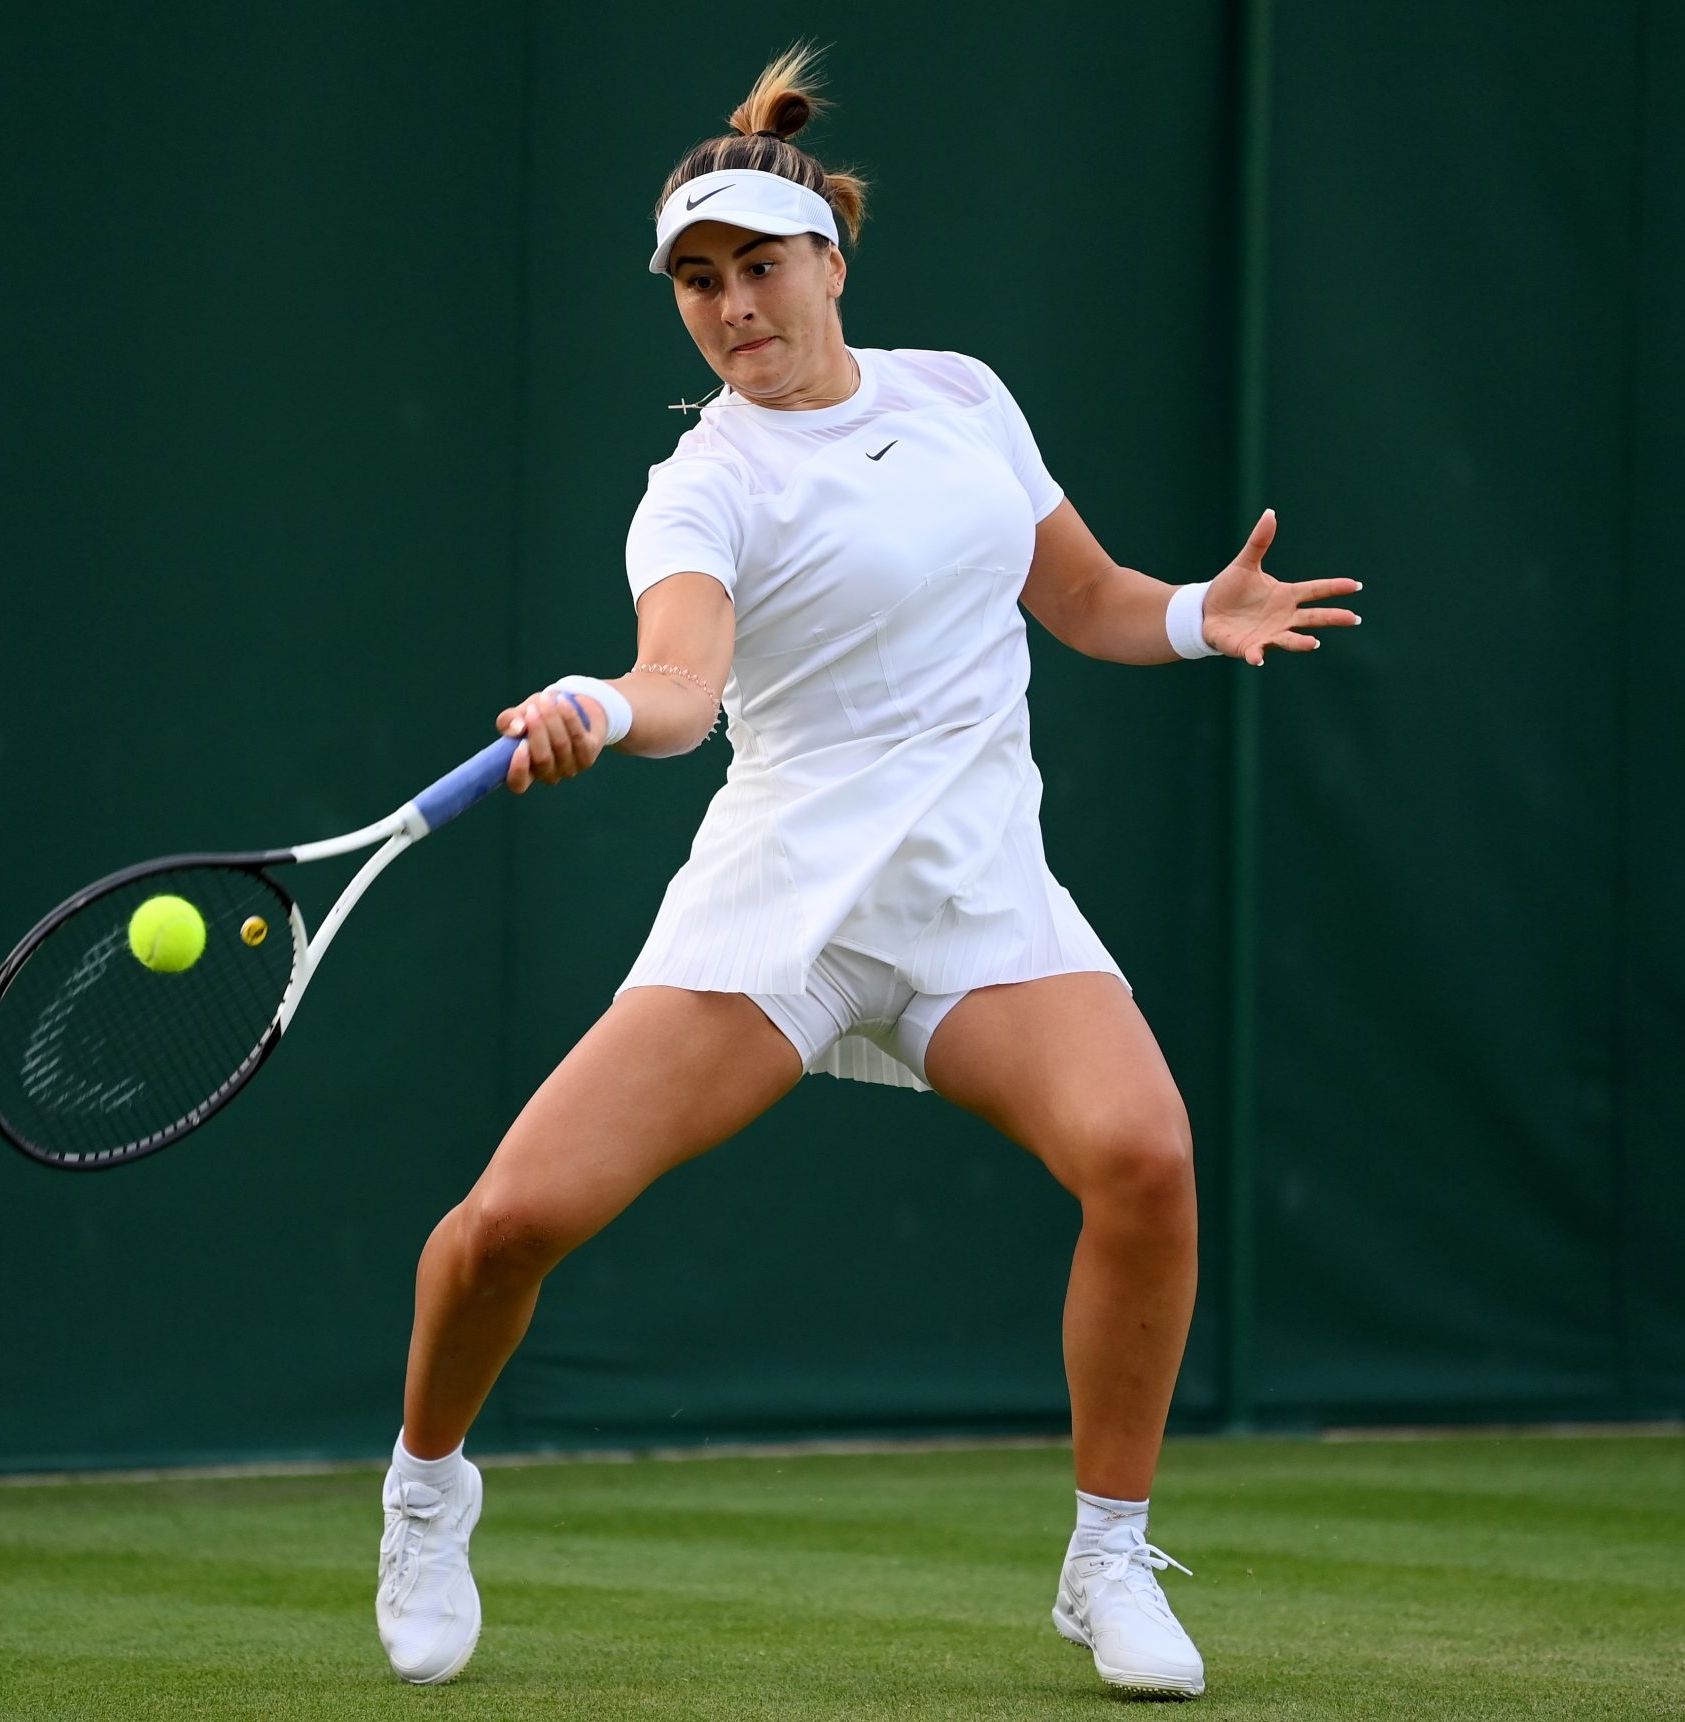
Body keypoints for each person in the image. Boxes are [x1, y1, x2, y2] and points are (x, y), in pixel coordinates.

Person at [373, 46, 1360, 1697]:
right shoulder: (702, 485)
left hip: (980, 900)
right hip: (787, 909)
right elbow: (684, 687)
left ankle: (1107, 1560)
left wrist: (1202, 613)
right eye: (695, 280)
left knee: (1146, 1158)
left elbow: (1091, 598)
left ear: (830, 257)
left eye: (756, 265)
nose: (729, 304)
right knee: (507, 1224)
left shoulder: (963, 397)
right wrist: (604, 707)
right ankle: (423, 1489)